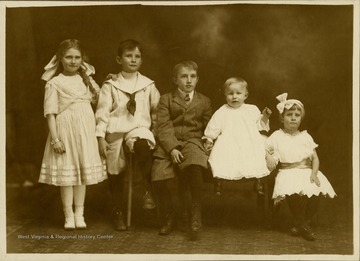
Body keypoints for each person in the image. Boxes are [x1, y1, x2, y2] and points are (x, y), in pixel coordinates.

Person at [38, 39, 107, 230]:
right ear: (60, 59)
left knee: (82, 173)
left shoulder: (87, 80)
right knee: (68, 175)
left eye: (77, 57)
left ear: (82, 59)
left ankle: (80, 214)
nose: (73, 61)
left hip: (85, 130)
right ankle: (68, 215)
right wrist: (55, 139)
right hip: (64, 131)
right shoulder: (54, 83)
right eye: (69, 57)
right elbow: (50, 114)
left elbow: (102, 100)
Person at [95, 39, 160, 231]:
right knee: (114, 169)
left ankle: (148, 190)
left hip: (138, 128)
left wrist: (154, 131)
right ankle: (117, 211)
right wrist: (100, 137)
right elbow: (102, 112)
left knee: (142, 145)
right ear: (119, 59)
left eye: (137, 56)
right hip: (116, 129)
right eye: (128, 56)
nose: (133, 60)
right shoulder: (111, 84)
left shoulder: (148, 85)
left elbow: (156, 111)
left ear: (141, 60)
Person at [151, 60, 212, 240]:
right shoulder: (166, 99)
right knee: (159, 175)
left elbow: (210, 127)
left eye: (192, 76)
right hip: (169, 143)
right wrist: (172, 148)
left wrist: (209, 141)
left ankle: (195, 211)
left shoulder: (204, 101)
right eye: (184, 76)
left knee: (195, 165)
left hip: (194, 141)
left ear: (197, 79)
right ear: (175, 80)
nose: (188, 81)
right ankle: (169, 216)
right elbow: (163, 126)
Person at [265, 93, 336, 241]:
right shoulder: (277, 136)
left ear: (300, 119)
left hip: (306, 171)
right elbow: (264, 148)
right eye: (289, 114)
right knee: (293, 194)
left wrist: (314, 173)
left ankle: (300, 224)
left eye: (297, 115)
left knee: (315, 194)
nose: (293, 118)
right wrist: (268, 156)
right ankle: (303, 225)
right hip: (287, 171)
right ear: (282, 118)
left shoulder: (305, 136)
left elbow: (315, 158)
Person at [203, 77, 273, 196]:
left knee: (256, 156)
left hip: (249, 141)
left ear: (245, 95)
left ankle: (258, 181)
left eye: (238, 93)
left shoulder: (251, 109)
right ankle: (219, 181)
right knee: (220, 158)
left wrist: (265, 117)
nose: (234, 97)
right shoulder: (222, 111)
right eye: (230, 94)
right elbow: (214, 126)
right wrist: (209, 138)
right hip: (229, 141)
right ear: (225, 95)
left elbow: (259, 126)